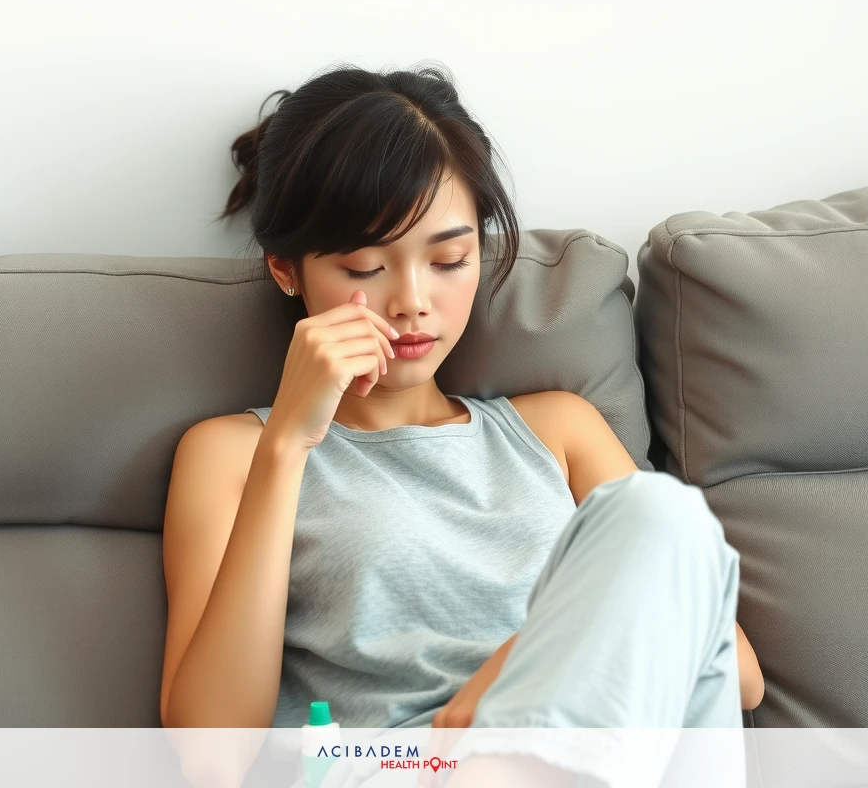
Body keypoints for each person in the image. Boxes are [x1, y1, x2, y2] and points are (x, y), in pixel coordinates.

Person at [159, 63, 764, 786]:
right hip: (390, 767)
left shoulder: (560, 431)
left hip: (596, 755)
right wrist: (289, 441)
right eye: (362, 268)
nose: (412, 301)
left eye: (448, 259)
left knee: (660, 512)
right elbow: (211, 755)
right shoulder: (233, 453)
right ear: (287, 270)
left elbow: (738, 677)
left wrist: (516, 672)